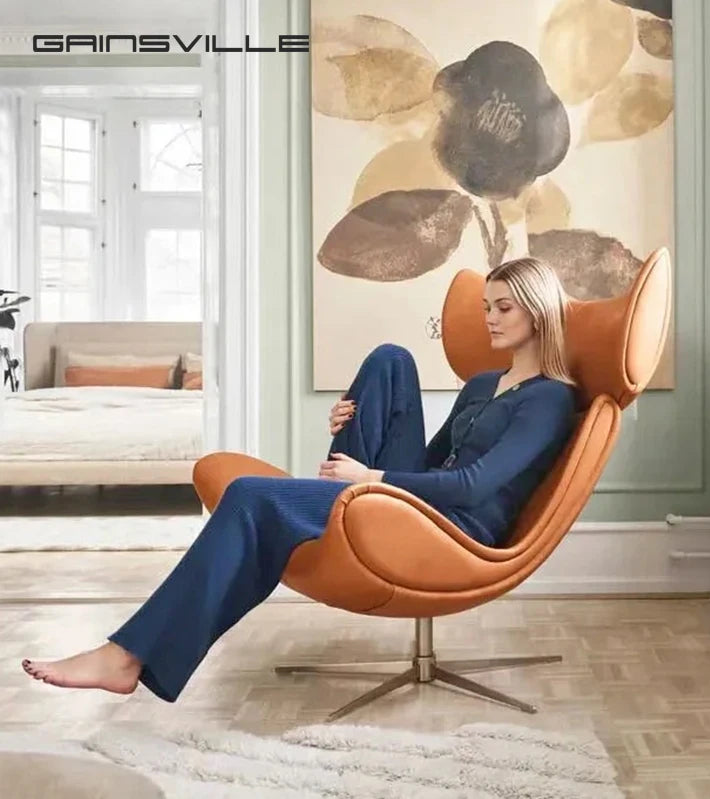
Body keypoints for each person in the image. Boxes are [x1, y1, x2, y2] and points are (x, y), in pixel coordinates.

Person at [21, 256, 578, 701]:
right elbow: (433, 462)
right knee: (390, 359)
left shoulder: (550, 399)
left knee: (249, 497)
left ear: (537, 313)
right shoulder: (482, 384)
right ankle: (333, 498)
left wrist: (371, 474)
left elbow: (473, 485)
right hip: (418, 506)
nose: (490, 317)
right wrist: (357, 427)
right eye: (486, 306)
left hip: (457, 529)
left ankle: (126, 656)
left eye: (504, 307)